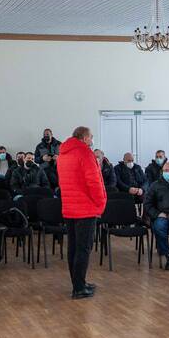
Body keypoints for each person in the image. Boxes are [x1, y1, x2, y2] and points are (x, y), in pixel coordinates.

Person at [58, 126, 106, 298]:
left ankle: (78, 282)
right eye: (91, 137)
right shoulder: (85, 153)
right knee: (83, 248)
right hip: (85, 208)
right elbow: (94, 182)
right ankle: (79, 288)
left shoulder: (63, 155)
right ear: (85, 138)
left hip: (69, 207)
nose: (92, 140)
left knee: (73, 247)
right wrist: (100, 203)